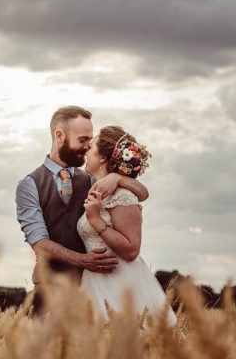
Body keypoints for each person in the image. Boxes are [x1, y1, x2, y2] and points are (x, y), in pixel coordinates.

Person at [15, 106, 149, 314]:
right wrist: (82, 260)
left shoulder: (93, 179)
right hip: (50, 287)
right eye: (83, 139)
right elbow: (39, 242)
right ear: (59, 136)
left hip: (93, 285)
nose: (88, 147)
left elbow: (141, 192)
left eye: (90, 140)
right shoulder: (29, 185)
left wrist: (118, 177)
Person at [79, 125, 176, 325]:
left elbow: (131, 250)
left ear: (103, 157)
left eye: (91, 147)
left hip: (119, 284)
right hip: (93, 281)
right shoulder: (93, 188)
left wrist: (96, 220)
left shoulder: (123, 195)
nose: (86, 151)